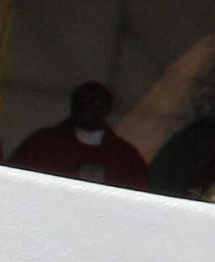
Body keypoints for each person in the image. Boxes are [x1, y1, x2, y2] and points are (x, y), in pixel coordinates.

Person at [9, 79, 150, 189]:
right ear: (73, 105)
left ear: (107, 110)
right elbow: (14, 180)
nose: (88, 108)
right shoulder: (42, 143)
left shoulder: (125, 156)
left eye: (96, 104)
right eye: (83, 102)